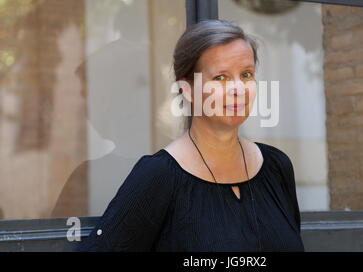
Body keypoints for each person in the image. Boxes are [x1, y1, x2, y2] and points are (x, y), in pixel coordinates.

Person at [77, 19, 305, 252]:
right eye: (221, 77)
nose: (238, 89)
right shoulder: (158, 175)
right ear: (187, 89)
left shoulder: (277, 166)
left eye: (246, 75)